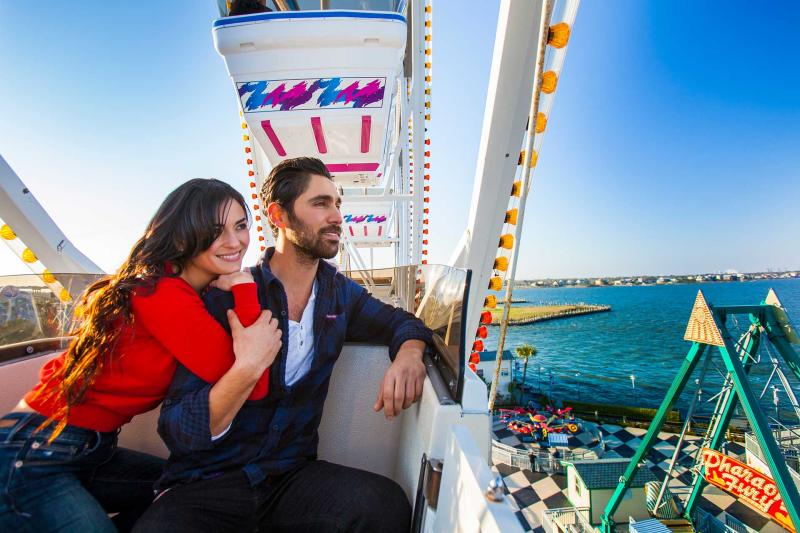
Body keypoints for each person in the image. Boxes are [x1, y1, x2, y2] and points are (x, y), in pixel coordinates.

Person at [134, 157, 433, 532]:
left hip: (291, 476)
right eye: (321, 203)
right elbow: (178, 428)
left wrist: (409, 354)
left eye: (338, 204)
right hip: (210, 481)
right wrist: (247, 369)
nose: (337, 216)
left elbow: (403, 322)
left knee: (383, 504)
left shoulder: (340, 296)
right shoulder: (223, 296)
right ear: (279, 215)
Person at [0, 179, 282, 532]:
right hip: (35, 452)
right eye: (214, 231)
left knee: (178, 492)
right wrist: (243, 285)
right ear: (182, 237)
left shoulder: (175, 286)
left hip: (87, 449)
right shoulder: (165, 294)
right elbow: (254, 384)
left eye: (241, 226)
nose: (235, 241)